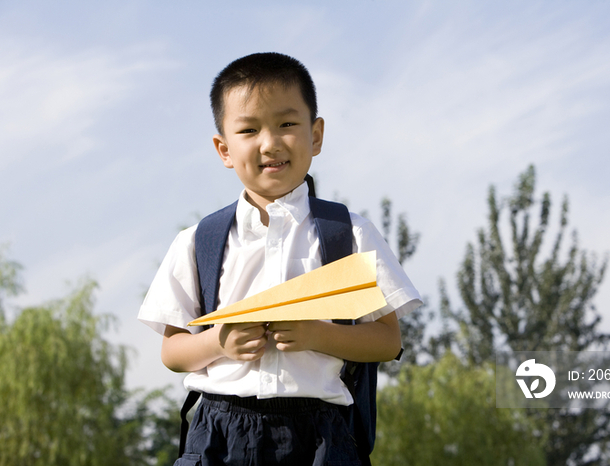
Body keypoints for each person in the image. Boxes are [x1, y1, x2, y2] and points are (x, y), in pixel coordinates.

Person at [138, 52, 422, 466]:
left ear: (316, 135)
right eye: (249, 129)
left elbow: (387, 339)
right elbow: (172, 352)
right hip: (220, 434)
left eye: (287, 124)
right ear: (224, 149)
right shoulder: (198, 241)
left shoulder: (349, 233)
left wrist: (317, 335)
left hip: (320, 436)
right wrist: (220, 342)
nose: (269, 143)